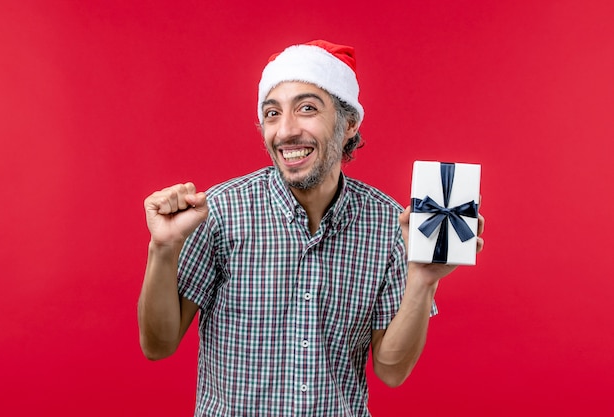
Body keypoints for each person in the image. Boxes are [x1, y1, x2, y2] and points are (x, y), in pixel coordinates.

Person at [138, 40, 484, 416]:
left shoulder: (390, 225)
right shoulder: (219, 211)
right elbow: (158, 345)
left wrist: (423, 279)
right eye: (272, 113)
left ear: (349, 123)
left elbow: (391, 370)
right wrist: (163, 249)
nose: (285, 131)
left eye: (306, 109)